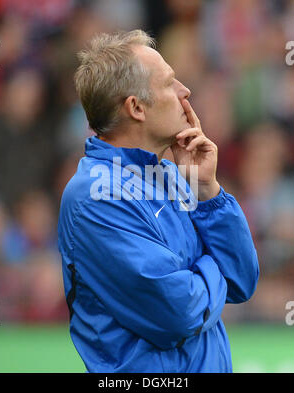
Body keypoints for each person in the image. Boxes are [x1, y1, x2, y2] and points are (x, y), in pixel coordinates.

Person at [58, 30, 259, 373]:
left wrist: (207, 191)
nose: (185, 91)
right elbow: (180, 314)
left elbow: (241, 279)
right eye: (169, 82)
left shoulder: (172, 175)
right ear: (136, 107)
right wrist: (215, 265)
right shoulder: (95, 197)